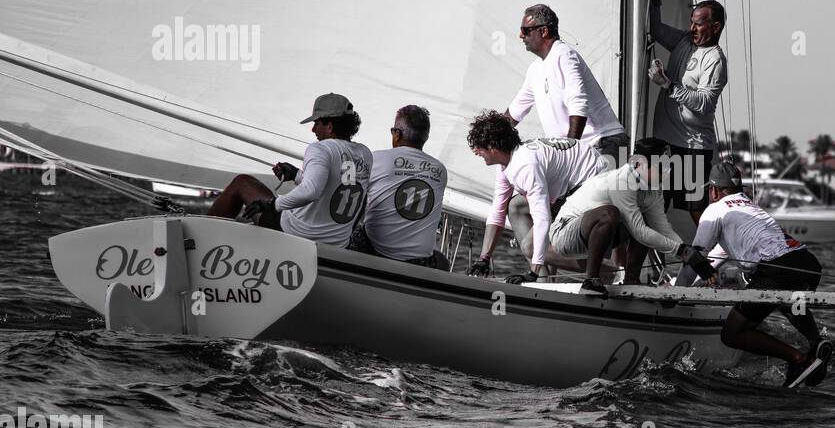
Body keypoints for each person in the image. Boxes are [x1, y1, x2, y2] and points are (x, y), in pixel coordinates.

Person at [683, 160, 833, 388]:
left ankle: (798, 360)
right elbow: (712, 261)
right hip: (808, 264)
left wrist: (675, 293)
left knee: (731, 334)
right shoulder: (750, 207)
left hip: (778, 270)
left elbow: (694, 258)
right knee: (788, 302)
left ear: (712, 190)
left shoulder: (715, 210)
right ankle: (816, 343)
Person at [549, 137, 714, 296]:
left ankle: (631, 281)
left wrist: (688, 251)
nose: (667, 171)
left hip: (598, 236)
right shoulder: (621, 181)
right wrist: (682, 252)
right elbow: (639, 232)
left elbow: (662, 228)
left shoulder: (654, 189)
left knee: (645, 221)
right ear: (638, 164)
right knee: (610, 213)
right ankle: (591, 281)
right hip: (564, 234)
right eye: (661, 166)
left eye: (669, 166)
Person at [208, 93, 372, 248]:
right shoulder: (364, 153)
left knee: (242, 182)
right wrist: (297, 175)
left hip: (299, 233)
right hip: (337, 242)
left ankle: (202, 235)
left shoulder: (320, 148)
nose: (313, 129)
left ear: (329, 126)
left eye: (316, 123)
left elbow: (312, 191)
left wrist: (272, 204)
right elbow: (338, 187)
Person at [465, 110, 607, 282]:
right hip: (573, 183)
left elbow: (542, 219)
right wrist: (484, 258)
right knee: (515, 206)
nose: (475, 151)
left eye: (478, 146)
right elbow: (497, 210)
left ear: (493, 148)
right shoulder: (506, 163)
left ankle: (606, 271)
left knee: (529, 247)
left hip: (593, 182)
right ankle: (542, 281)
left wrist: (531, 271)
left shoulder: (525, 166)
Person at [645, 0, 728, 225]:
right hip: (665, 145)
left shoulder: (715, 60)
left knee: (697, 212)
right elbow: (655, 29)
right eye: (691, 22)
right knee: (652, 208)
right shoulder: (683, 41)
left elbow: (704, 103)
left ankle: (714, 262)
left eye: (698, 24)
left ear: (714, 27)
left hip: (693, 147)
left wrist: (668, 85)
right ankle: (632, 267)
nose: (692, 28)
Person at [505, 4, 629, 159]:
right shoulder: (535, 69)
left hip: (604, 144)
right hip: (584, 148)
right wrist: (487, 134)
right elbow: (515, 112)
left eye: (525, 30)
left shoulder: (563, 55)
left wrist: (570, 152)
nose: (521, 35)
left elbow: (578, 102)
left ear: (543, 31)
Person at [348, 105, 449, 269]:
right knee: (442, 261)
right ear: (426, 137)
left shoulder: (377, 159)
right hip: (419, 261)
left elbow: (354, 200)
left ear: (397, 134)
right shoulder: (440, 170)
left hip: (376, 251)